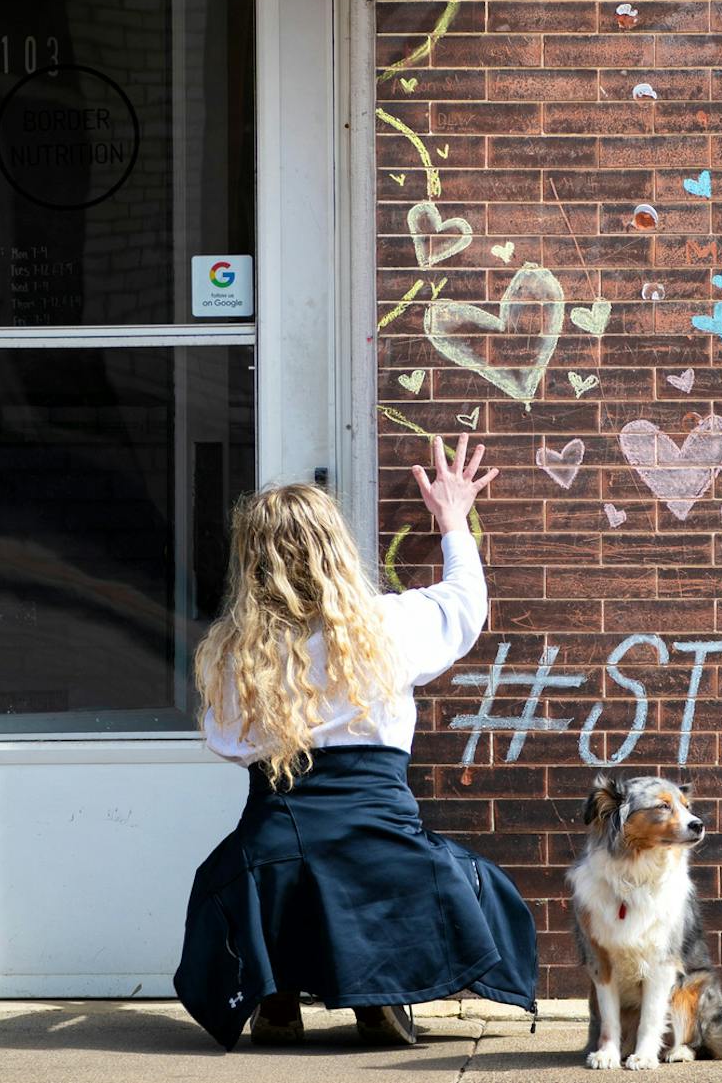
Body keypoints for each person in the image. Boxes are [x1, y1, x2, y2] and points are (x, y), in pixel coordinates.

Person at [173, 435, 539, 1050]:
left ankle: (278, 994)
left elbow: (226, 743)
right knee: (404, 870)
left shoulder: (235, 653)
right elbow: (465, 607)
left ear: (252, 563)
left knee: (266, 869)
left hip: (278, 838)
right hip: (382, 835)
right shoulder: (390, 626)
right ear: (336, 549)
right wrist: (451, 519)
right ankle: (378, 992)